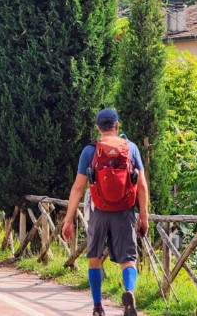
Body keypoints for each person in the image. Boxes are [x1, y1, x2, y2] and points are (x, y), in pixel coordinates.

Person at [63, 108, 149, 316]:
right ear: (117, 125)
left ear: (98, 127)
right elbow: (142, 186)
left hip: (98, 211)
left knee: (94, 257)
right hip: (124, 211)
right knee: (128, 258)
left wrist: (68, 220)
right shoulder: (131, 149)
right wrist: (144, 216)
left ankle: (97, 307)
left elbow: (77, 187)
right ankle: (129, 291)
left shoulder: (89, 151)